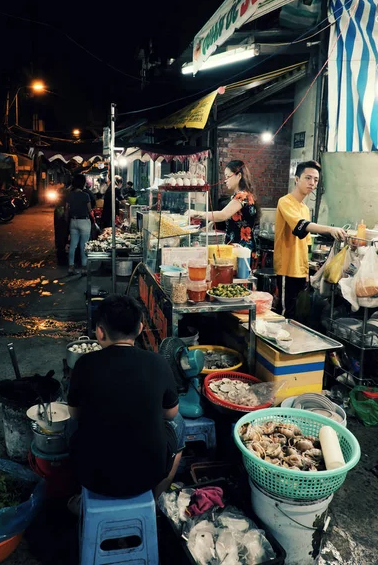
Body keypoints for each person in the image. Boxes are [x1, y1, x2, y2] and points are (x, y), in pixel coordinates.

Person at [67, 294, 185, 499]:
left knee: (70, 425)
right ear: (140, 329)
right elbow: (171, 412)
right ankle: (156, 498)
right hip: (149, 475)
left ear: (100, 332)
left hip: (91, 476)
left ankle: (80, 498)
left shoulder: (84, 364)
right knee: (180, 423)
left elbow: (75, 414)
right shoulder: (157, 362)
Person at [274, 160, 346, 318]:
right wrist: (329, 229)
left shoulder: (305, 208)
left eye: (316, 180)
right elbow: (301, 225)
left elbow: (305, 242)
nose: (312, 183)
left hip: (300, 269)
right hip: (287, 267)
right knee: (285, 313)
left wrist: (306, 272)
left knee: (298, 314)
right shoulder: (285, 201)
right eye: (308, 178)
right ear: (297, 179)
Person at [198, 160, 260, 253]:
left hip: (241, 248)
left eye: (228, 176)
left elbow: (223, 215)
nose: (225, 180)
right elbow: (238, 219)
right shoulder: (243, 195)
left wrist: (197, 214)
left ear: (239, 176)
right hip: (238, 247)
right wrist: (211, 223)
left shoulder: (242, 196)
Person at [65, 173, 92, 276]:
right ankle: (84, 268)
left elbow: (66, 209)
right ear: (83, 183)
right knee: (84, 245)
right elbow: (89, 210)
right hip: (84, 222)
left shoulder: (70, 195)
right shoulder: (86, 195)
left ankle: (71, 267)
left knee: (73, 245)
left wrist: (67, 219)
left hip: (73, 221)